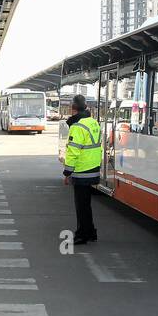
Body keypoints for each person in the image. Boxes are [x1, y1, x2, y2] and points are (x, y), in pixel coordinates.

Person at [62, 93, 102, 244]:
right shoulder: (93, 122)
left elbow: (73, 151)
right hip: (93, 167)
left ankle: (82, 234)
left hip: (82, 170)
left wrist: (67, 172)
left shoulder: (77, 126)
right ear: (86, 107)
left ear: (73, 109)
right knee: (86, 204)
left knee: (81, 205)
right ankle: (91, 232)